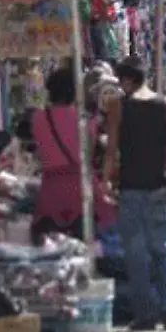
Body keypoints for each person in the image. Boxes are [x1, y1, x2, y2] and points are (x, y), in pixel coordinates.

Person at [103, 56, 166, 331]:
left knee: (136, 253)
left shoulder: (118, 106)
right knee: (162, 249)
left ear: (127, 80)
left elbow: (112, 148)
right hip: (159, 187)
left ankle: (146, 313)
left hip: (130, 186)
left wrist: (106, 179)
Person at [32, 68, 117, 243]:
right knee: (85, 246)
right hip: (80, 188)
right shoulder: (85, 121)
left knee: (51, 248)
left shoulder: (38, 118)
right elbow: (88, 155)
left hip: (51, 190)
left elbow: (42, 152)